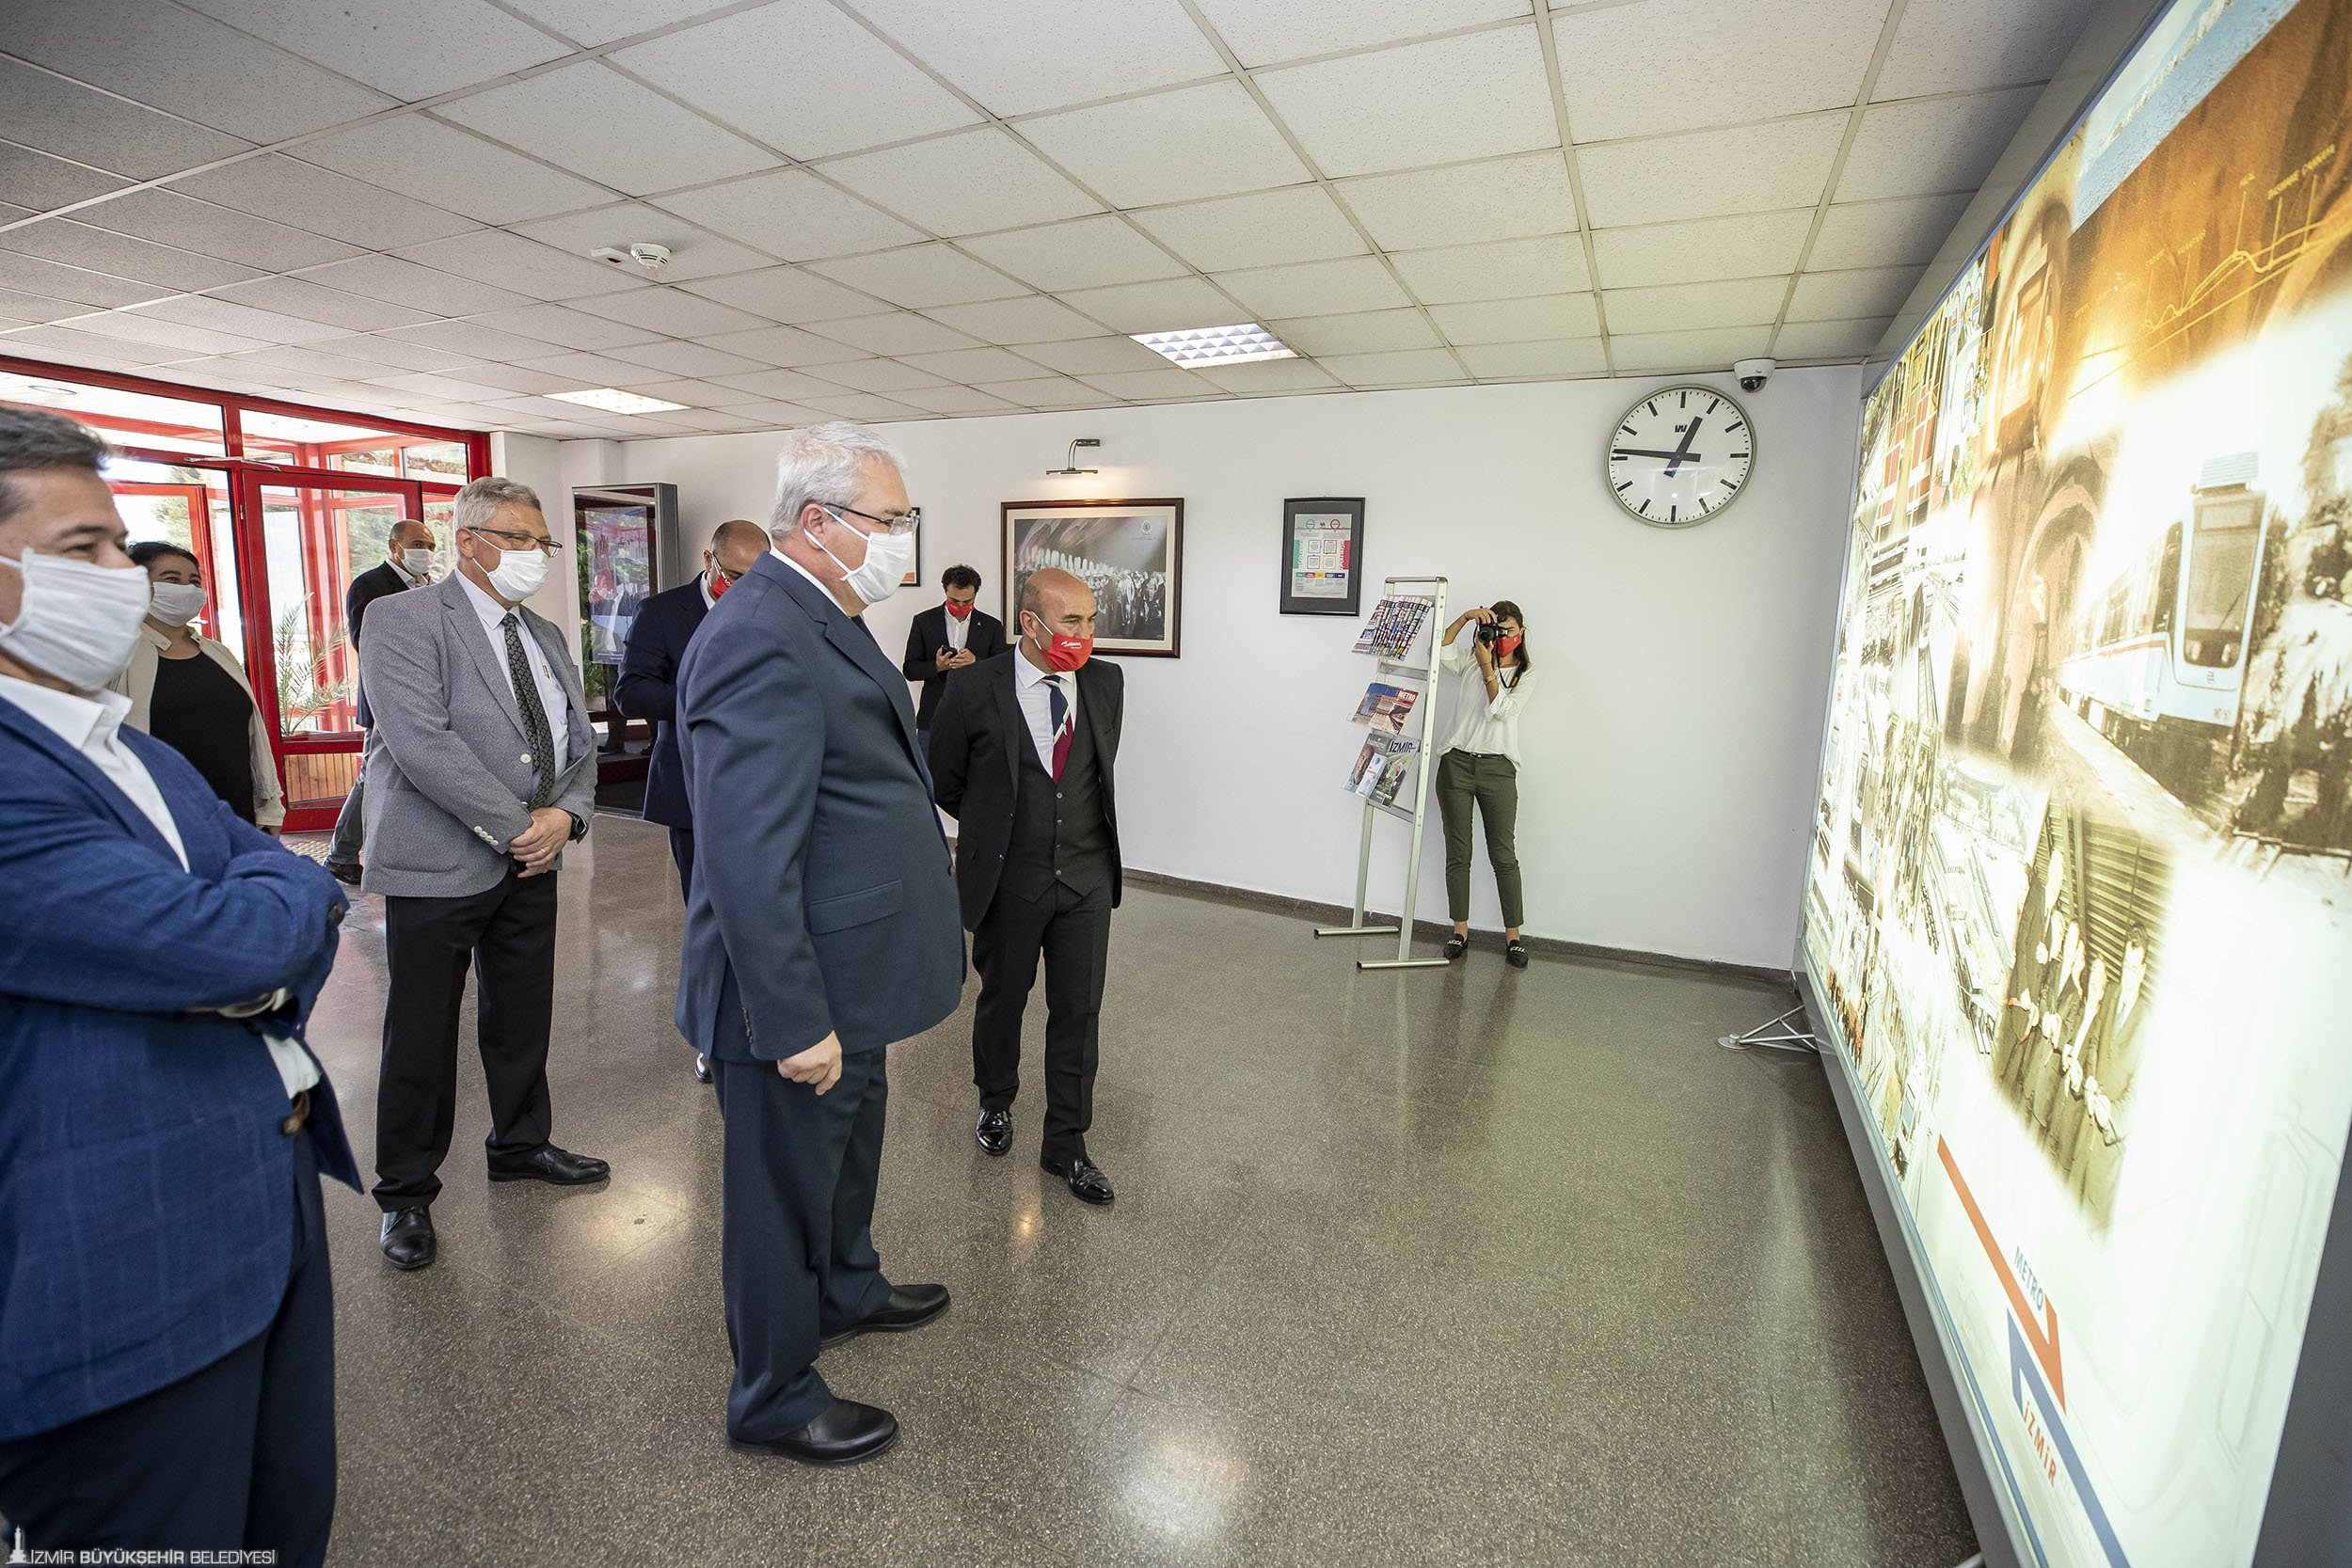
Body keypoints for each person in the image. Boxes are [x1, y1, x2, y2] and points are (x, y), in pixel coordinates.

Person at [0, 406, 356, 1564]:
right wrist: (261, 928)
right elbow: (231, 939)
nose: (128, 573)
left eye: (121, 542)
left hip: (261, 1203)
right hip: (118, 1261)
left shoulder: (134, 747)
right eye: (84, 549)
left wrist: (264, 920)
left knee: (282, 1518)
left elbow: (290, 888)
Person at [675, 422, 963, 1466]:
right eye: (890, 519)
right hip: (793, 988)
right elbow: (746, 854)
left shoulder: (824, 610)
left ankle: (846, 1286)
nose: (903, 539)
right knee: (780, 1194)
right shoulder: (759, 632)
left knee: (847, 1154)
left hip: (856, 968)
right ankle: (772, 1392)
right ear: (816, 521)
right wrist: (793, 1019)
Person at [357, 477, 605, 1273]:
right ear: (467, 540)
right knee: (422, 1028)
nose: (536, 554)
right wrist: (520, 826)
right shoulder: (401, 618)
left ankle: (521, 1142)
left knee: (521, 1011)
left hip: (532, 859)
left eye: (543, 542)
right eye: (519, 538)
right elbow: (420, 741)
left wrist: (567, 817)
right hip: (441, 859)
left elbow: (578, 739)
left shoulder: (544, 632)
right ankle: (405, 1192)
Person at [928, 566, 1124, 1206]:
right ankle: (995, 1099)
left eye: (1091, 621)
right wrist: (997, 829)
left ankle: (1067, 1141)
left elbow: (1095, 771)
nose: (1085, 634)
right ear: (1029, 623)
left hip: (1086, 879)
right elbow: (945, 780)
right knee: (1004, 998)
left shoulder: (1106, 682)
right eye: (1071, 621)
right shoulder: (972, 687)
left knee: (1079, 1013)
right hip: (1010, 880)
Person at [614, 516, 768, 1085]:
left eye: (758, 577)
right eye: (735, 575)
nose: (746, 587)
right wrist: (700, 694)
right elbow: (630, 690)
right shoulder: (662, 612)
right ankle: (711, 1035)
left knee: (759, 914)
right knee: (709, 918)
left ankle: (760, 1021)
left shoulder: (768, 605)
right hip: (690, 784)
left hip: (760, 786)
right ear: (710, 561)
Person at [113, 539, 285, 831]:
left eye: (194, 581)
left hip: (235, 813)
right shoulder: (116, 654)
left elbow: (253, 736)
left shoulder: (217, 653)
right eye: (172, 579)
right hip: (159, 819)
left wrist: (268, 809)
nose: (188, 589)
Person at [325, 518, 437, 884]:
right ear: (393, 546)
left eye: (431, 546)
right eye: (418, 545)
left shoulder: (429, 586)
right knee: (372, 776)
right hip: (387, 699)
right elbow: (367, 644)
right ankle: (341, 855)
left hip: (427, 697)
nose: (426, 552)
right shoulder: (370, 585)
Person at [1434, 600, 1536, 967]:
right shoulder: (1469, 660)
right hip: (1456, 764)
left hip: (1498, 770)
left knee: (1503, 855)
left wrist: (1487, 668)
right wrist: (1465, 618)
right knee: (1458, 852)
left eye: (1509, 630)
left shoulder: (1525, 673)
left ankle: (1514, 937)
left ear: (1521, 633)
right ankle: (1459, 931)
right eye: (1496, 628)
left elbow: (1502, 712)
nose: (1502, 636)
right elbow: (1439, 652)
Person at [900, 562, 1005, 754]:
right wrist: (937, 666)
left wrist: (976, 662)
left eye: (967, 602)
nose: (961, 607)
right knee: (928, 771)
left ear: (975, 595)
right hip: (933, 717)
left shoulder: (992, 626)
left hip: (978, 718)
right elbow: (910, 669)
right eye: (954, 601)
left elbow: (1003, 670)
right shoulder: (923, 621)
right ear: (945, 592)